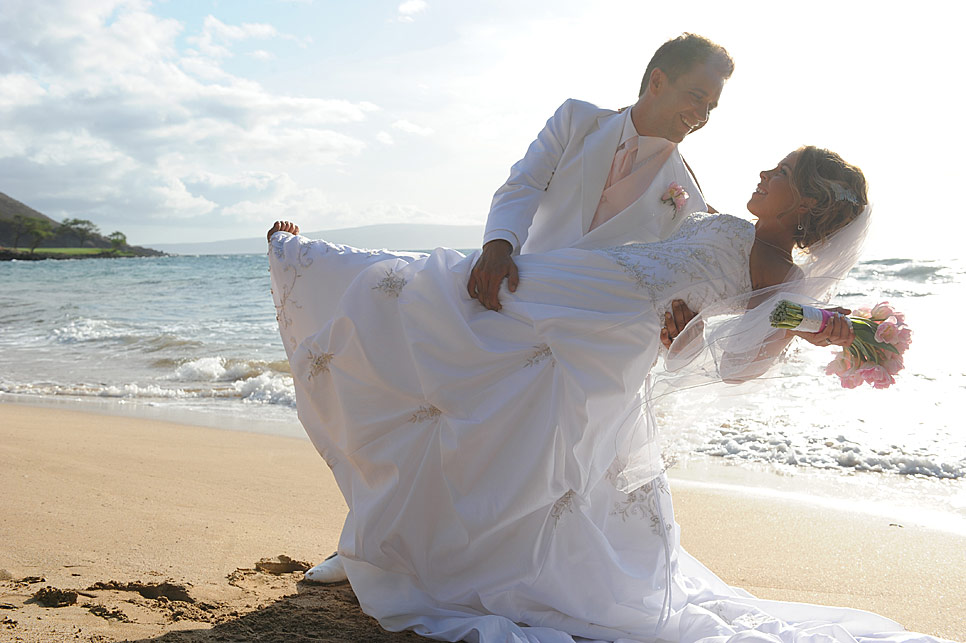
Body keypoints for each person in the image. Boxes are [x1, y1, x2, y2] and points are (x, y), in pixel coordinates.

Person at [266, 147, 946, 642]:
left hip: (606, 327)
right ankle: (318, 268)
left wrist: (707, 336)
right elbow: (679, 246)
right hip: (589, 282)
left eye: (783, 172)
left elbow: (734, 364)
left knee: (467, 353)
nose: (765, 171)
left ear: (801, 203)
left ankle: (311, 264)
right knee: (445, 307)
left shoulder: (780, 279)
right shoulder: (735, 229)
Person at [304, 31, 737, 585]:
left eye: (712, 106)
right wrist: (498, 245)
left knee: (535, 464)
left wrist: (679, 323)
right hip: (512, 293)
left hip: (579, 342)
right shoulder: (578, 119)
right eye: (697, 96)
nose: (702, 113)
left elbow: (675, 281)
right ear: (658, 80)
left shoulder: (687, 194)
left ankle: (511, 569)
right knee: (440, 415)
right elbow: (525, 180)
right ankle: (373, 545)